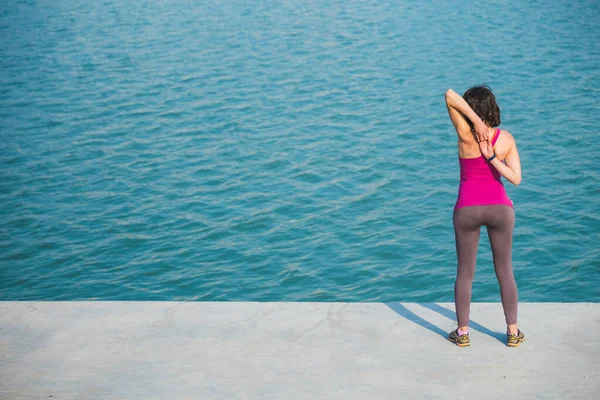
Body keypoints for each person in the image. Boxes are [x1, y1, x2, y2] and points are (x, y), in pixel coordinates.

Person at [444, 85, 524, 347]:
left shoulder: (465, 134)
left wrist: (475, 124)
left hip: (467, 209)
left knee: (465, 273)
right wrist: (492, 157)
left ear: (472, 110)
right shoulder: (506, 139)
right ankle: (513, 332)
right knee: (505, 271)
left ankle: (463, 333)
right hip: (500, 209)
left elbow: (449, 95)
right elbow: (515, 179)